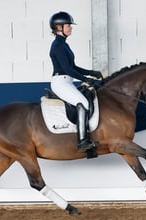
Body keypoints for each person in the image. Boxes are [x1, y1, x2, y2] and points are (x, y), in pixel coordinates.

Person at [49, 11, 102, 152]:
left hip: (67, 81)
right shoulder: (58, 46)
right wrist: (85, 79)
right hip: (60, 83)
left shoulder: (64, 44)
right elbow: (67, 69)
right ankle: (83, 141)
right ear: (59, 27)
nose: (71, 28)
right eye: (68, 25)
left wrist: (92, 73)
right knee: (83, 103)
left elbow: (73, 67)